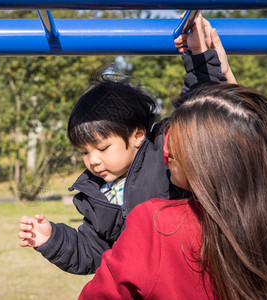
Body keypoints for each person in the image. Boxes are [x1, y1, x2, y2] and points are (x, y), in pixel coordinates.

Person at [18, 13, 234, 275]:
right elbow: (94, 252)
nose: (92, 161)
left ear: (137, 135)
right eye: (84, 152)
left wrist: (198, 55)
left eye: (102, 148)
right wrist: (53, 239)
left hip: (190, 272)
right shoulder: (96, 196)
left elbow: (197, 107)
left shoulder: (163, 154)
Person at [79, 83, 267, 299]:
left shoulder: (156, 224)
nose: (166, 148)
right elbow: (245, 138)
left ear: (205, 152)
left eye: (177, 137)